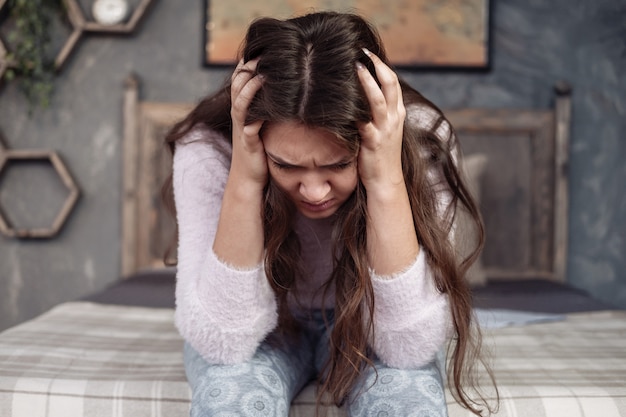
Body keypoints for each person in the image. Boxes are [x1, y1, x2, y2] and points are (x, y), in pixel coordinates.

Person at [164, 11, 494, 417]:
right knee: (230, 398)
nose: (315, 192)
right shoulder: (208, 150)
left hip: (364, 326)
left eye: (338, 165)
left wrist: (386, 178)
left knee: (409, 403)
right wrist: (246, 182)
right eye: (286, 165)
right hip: (267, 327)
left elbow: (407, 348)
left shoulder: (423, 141)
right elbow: (223, 341)